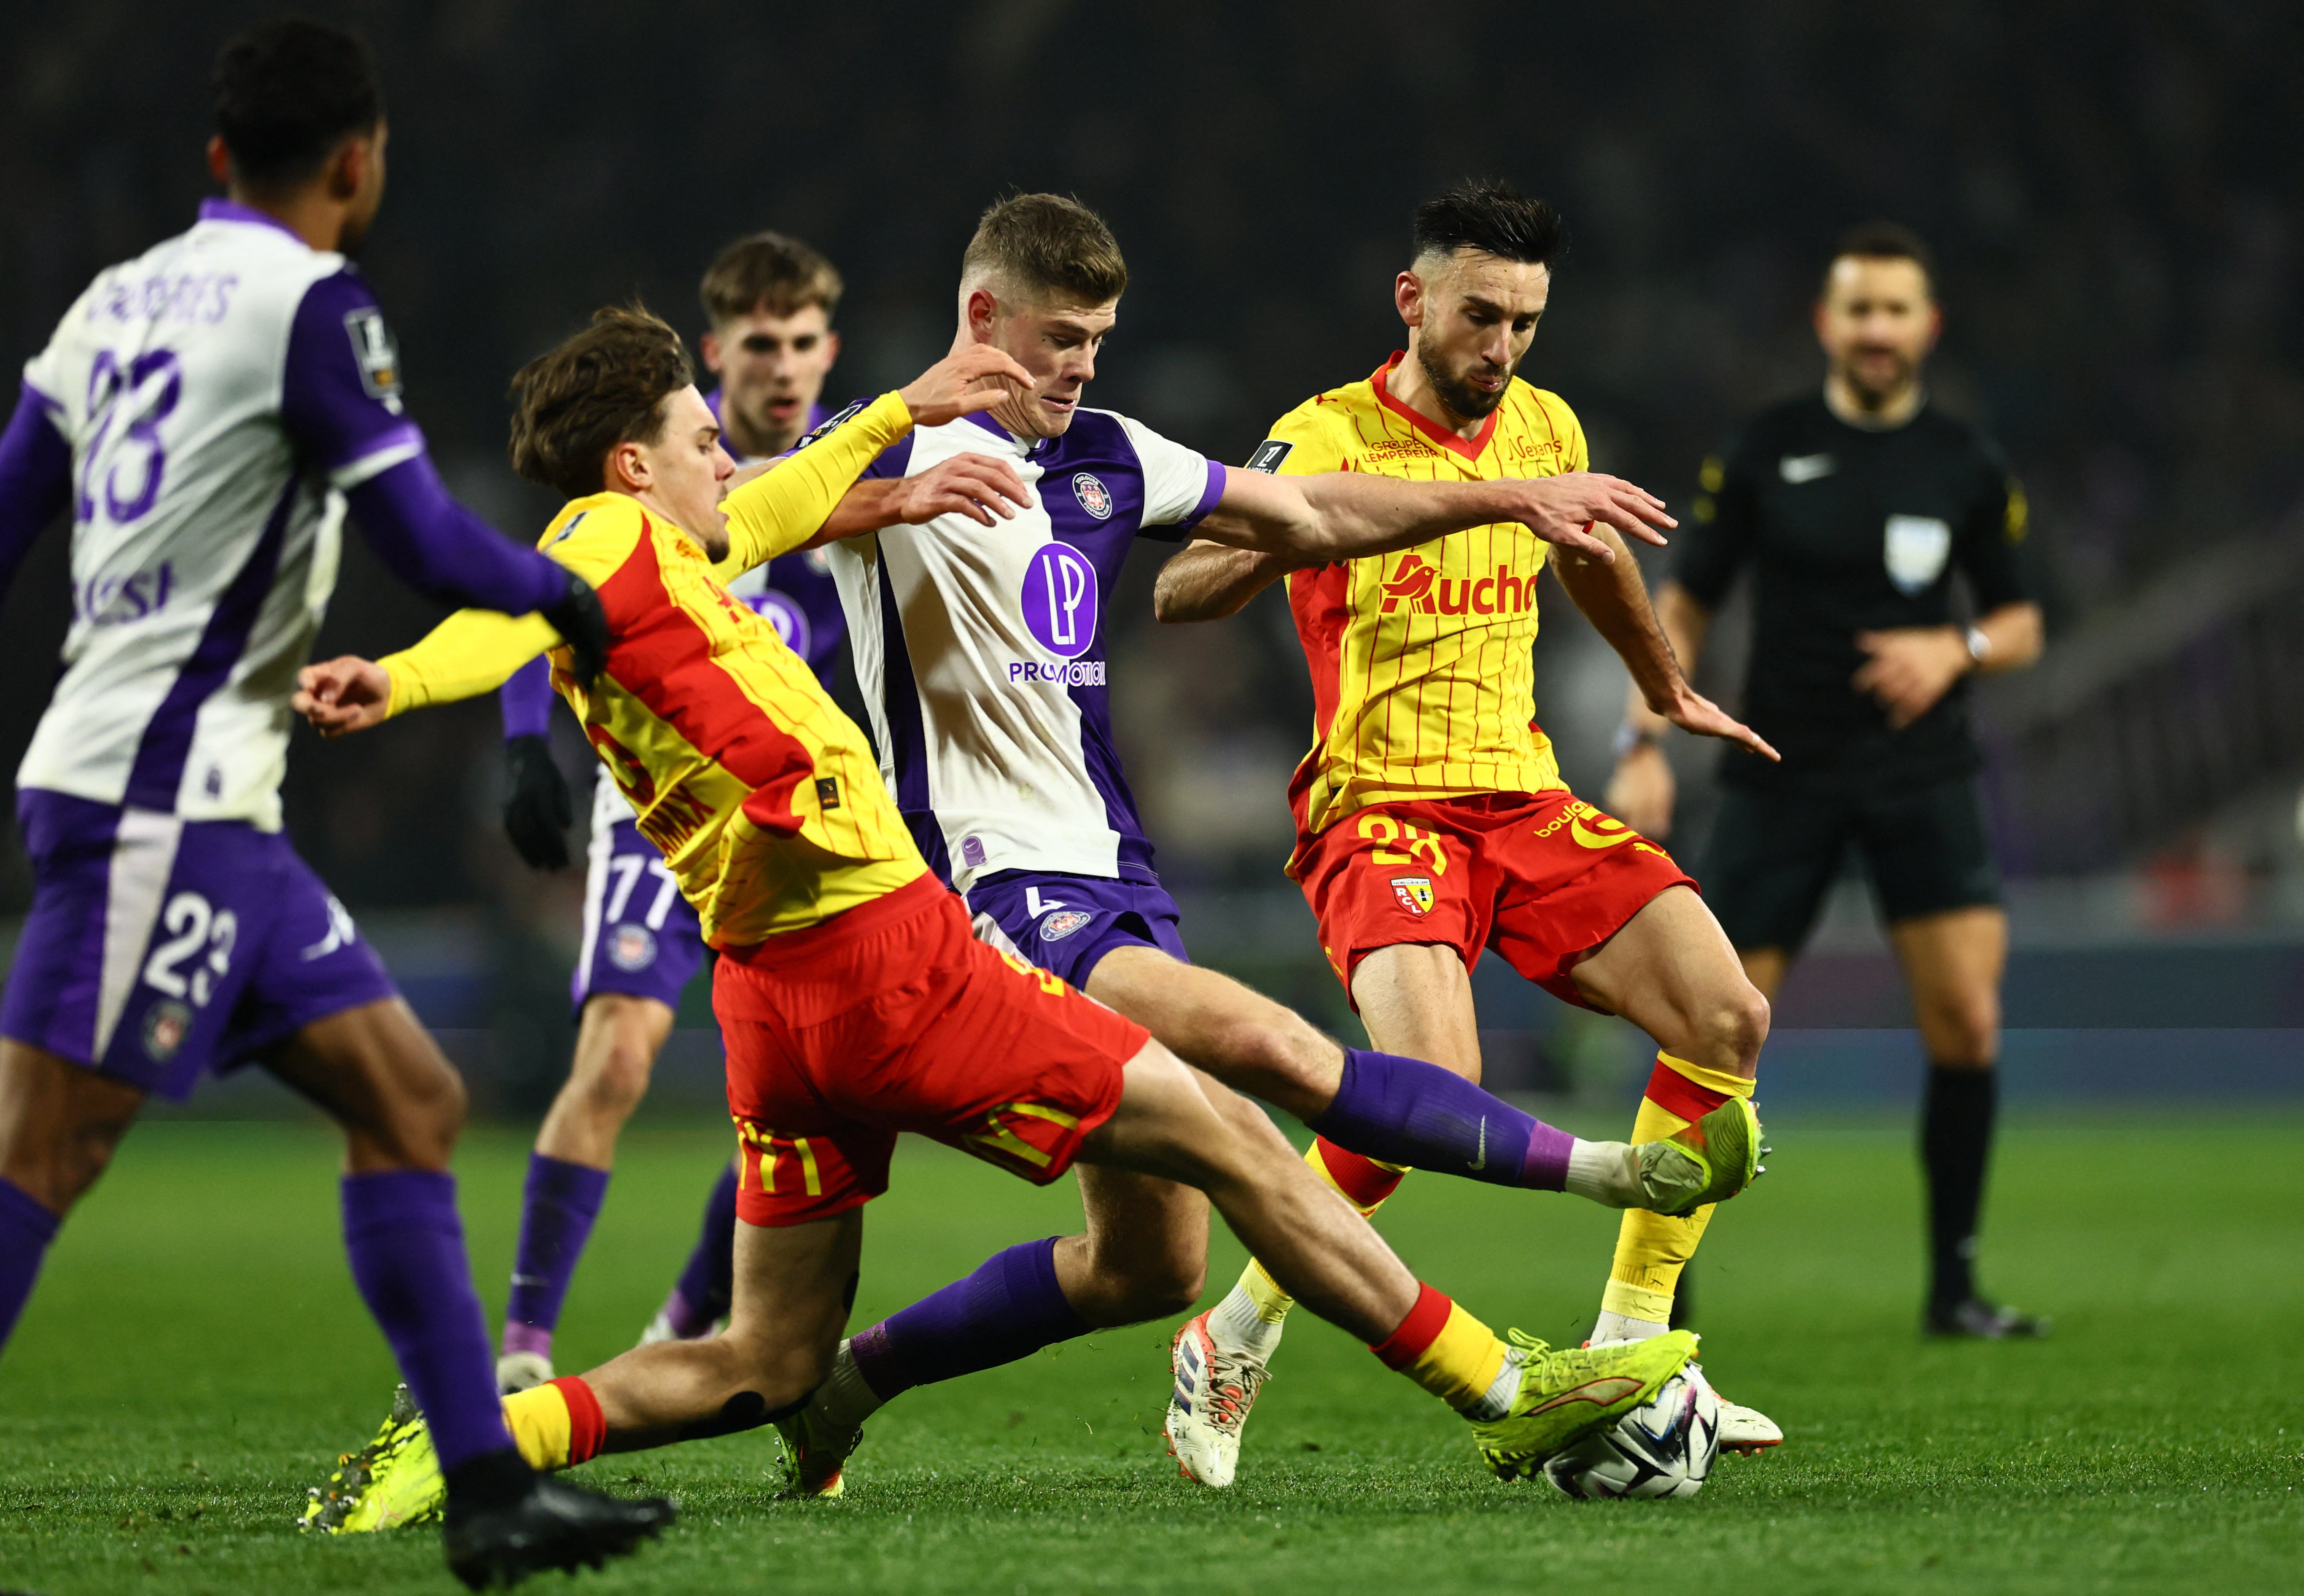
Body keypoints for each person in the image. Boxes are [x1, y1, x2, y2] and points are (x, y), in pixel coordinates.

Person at [287, 304, 1702, 1526]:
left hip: (771, 1000)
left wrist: (899, 416)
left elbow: (791, 495)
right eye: (701, 437)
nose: (730, 456)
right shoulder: (603, 540)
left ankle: (481, 1437)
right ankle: (1508, 1389)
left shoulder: (678, 555)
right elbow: (508, 612)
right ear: (630, 463)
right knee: (1234, 1129)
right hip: (891, 956)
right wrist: (398, 680)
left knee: (770, 1357)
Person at [748, 191, 1757, 1497]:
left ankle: (842, 1388)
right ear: (983, 316)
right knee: (1271, 1055)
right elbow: (716, 526)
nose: (1084, 366)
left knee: (1146, 1264)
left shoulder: (1108, 451)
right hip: (988, 887)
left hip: (1118, 875)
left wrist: (1517, 498)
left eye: (1100, 339)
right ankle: (1555, 1291)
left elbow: (1304, 518)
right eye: (1061, 338)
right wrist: (891, 462)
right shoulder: (873, 448)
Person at [0, 19, 667, 1586]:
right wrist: (568, 602)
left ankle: (489, 1491)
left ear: (218, 156)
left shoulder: (109, 303)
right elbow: (425, 540)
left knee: (409, 1100)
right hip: (159, 806)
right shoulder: (313, 303)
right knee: (42, 1157)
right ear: (358, 166)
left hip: (209, 812)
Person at [1151, 179, 1790, 1472]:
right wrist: (1297, 531)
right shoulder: (1322, 435)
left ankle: (1630, 1354)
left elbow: (1596, 554)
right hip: (1380, 810)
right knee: (1432, 1098)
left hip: (1527, 803)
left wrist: (1664, 685)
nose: (1502, 348)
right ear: (1414, 298)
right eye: (1481, 316)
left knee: (1727, 1015)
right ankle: (1232, 1334)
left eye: (1526, 323)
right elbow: (1180, 586)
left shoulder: (1545, 425)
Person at [1602, 221, 2047, 1340]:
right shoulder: (1766, 448)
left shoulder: (1965, 462)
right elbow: (1684, 602)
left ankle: (1954, 1288)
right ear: (1827, 323)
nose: (1877, 330)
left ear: (1927, 326)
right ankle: (1656, 1305)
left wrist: (1956, 649)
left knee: (1968, 1023)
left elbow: (2020, 622)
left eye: (1896, 310)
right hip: (1780, 770)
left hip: (1920, 772)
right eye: (1860, 310)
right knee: (1708, 1027)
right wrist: (1642, 741)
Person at [486, 231, 860, 1394]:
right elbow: (547, 592)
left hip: (792, 818)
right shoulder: (656, 474)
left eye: (803, 342)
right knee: (615, 1058)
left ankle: (682, 1321)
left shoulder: (846, 473)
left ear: (829, 350)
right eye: (761, 343)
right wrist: (523, 744)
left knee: (812, 1089)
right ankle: (523, 1350)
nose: (783, 366)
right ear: (716, 354)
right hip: (659, 812)